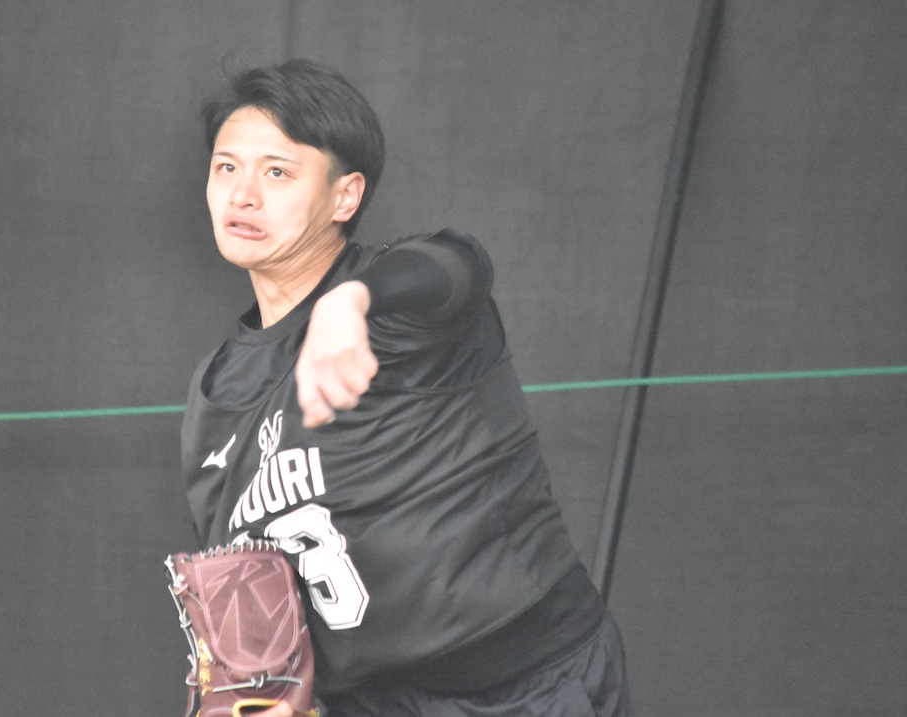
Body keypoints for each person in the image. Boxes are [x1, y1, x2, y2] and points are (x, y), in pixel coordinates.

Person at [179, 58, 630, 717]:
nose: (242, 195)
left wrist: (352, 302)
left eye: (277, 172)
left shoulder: (399, 305)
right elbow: (244, 583)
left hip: (524, 686)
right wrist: (260, 691)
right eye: (226, 168)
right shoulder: (215, 390)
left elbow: (461, 264)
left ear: (345, 197)